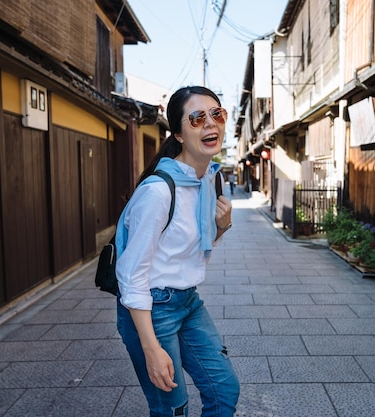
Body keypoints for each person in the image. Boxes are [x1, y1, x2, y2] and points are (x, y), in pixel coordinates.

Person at [115, 86, 240, 417]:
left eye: (217, 114)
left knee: (223, 389)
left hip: (187, 301)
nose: (210, 124)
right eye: (197, 118)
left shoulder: (205, 180)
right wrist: (150, 347)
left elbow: (188, 246)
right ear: (179, 134)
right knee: (173, 408)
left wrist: (223, 225)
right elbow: (131, 275)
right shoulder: (158, 192)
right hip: (151, 308)